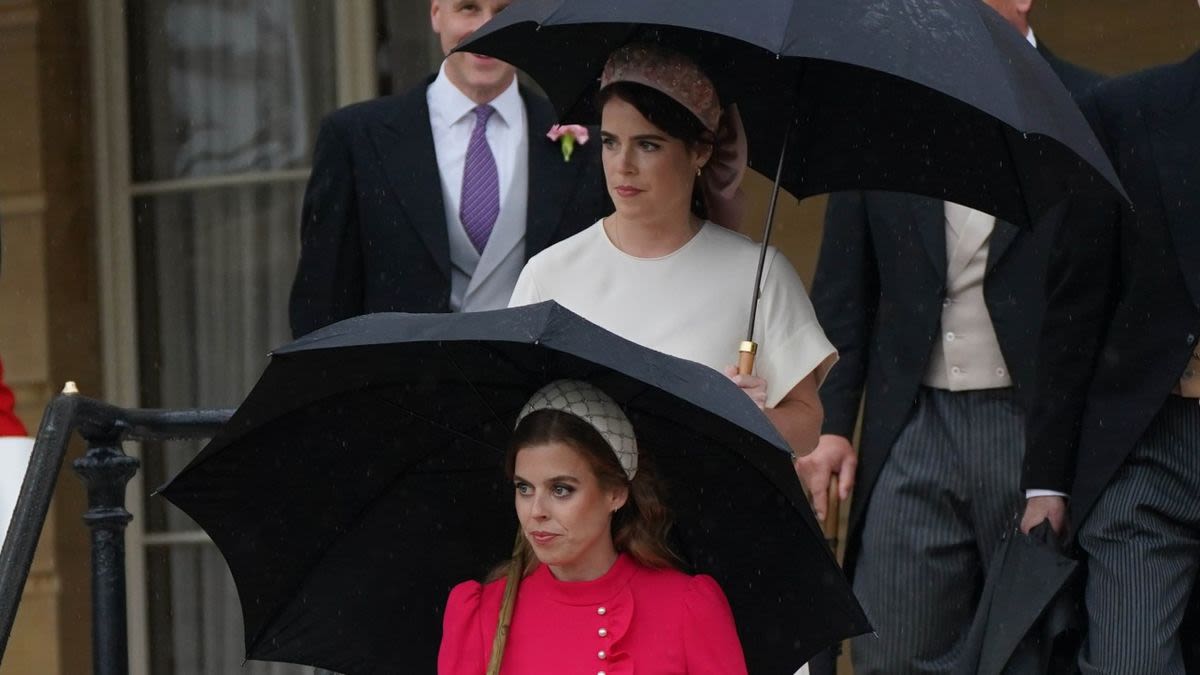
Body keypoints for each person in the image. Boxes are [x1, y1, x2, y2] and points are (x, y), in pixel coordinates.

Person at [807, 3, 1103, 671]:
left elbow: (1100, 301)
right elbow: (846, 291)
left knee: (1030, 652)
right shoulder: (883, 110)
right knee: (888, 646)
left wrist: (1061, 465)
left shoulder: (1088, 107)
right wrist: (830, 425)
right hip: (914, 421)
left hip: (1035, 429)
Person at [509, 43, 836, 458]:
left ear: (700, 150)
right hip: (589, 521)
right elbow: (514, 415)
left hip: (709, 512)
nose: (622, 164)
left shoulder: (758, 274)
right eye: (610, 142)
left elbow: (807, 425)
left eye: (648, 145)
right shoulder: (549, 274)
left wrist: (750, 418)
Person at [1021, 44, 1200, 673]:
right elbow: (1075, 306)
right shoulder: (1124, 111)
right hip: (1149, 448)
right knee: (1128, 661)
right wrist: (1047, 479)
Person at [288, 0, 608, 338]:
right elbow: (321, 303)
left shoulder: (592, 145)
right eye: (468, 8)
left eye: (504, 12)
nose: (488, 27)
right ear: (435, 13)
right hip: (402, 382)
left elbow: (603, 284)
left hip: (540, 383)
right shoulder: (355, 138)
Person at [438, 379, 748, 674]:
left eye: (561, 489)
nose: (536, 511)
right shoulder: (483, 615)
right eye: (524, 488)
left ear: (615, 493)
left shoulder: (685, 609)